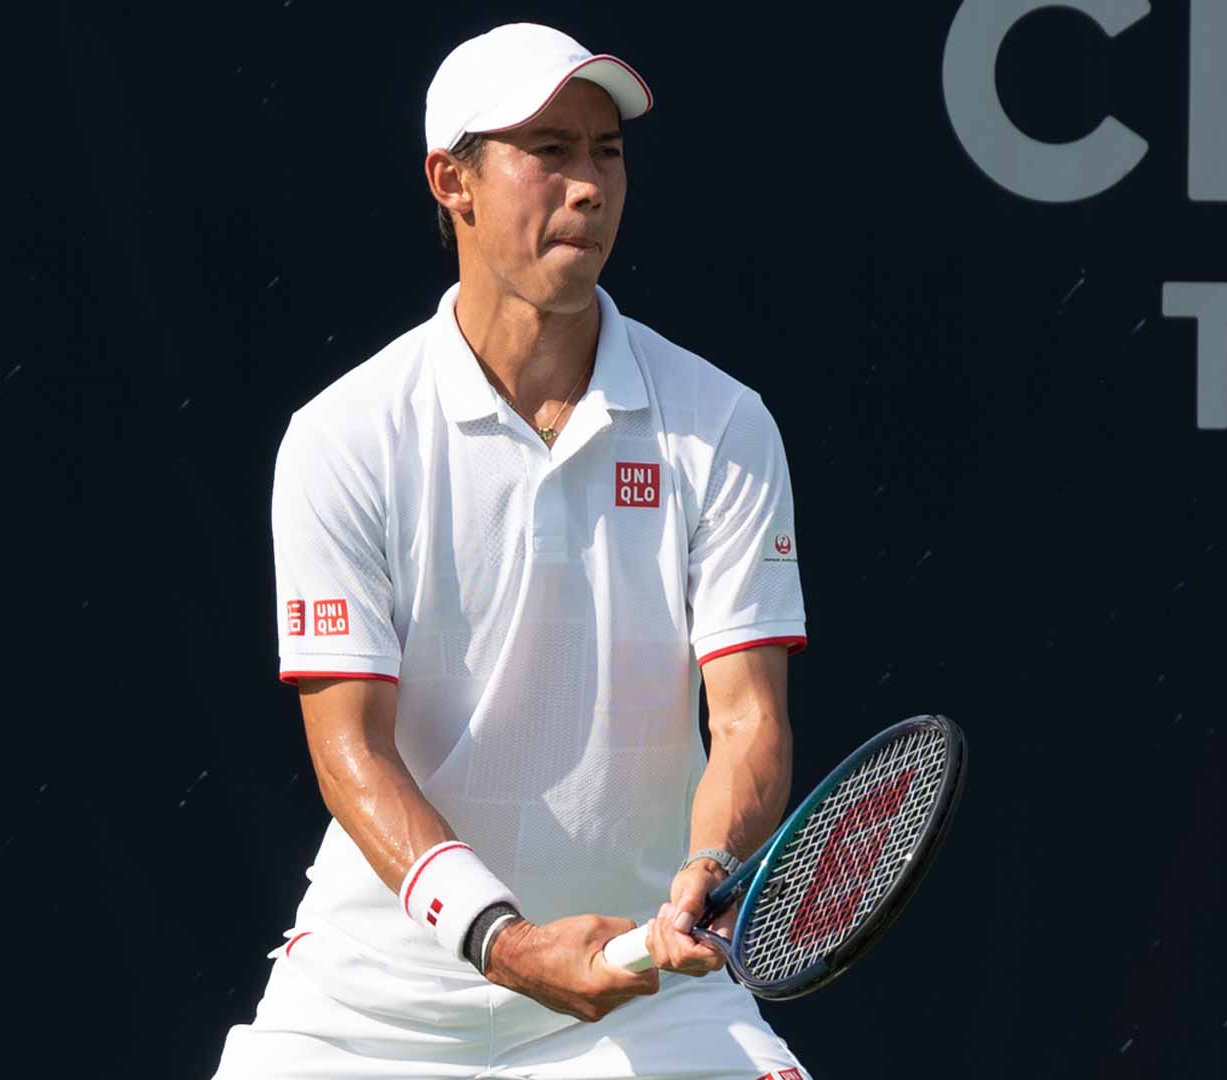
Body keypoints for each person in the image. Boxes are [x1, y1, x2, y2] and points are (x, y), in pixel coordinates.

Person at [215, 22, 811, 1080]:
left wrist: (707, 868)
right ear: (454, 182)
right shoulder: (345, 436)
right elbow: (352, 749)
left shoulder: (722, 426)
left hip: (644, 999)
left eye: (606, 153)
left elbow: (751, 718)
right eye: (550, 151)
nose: (587, 185)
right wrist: (501, 938)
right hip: (370, 1012)